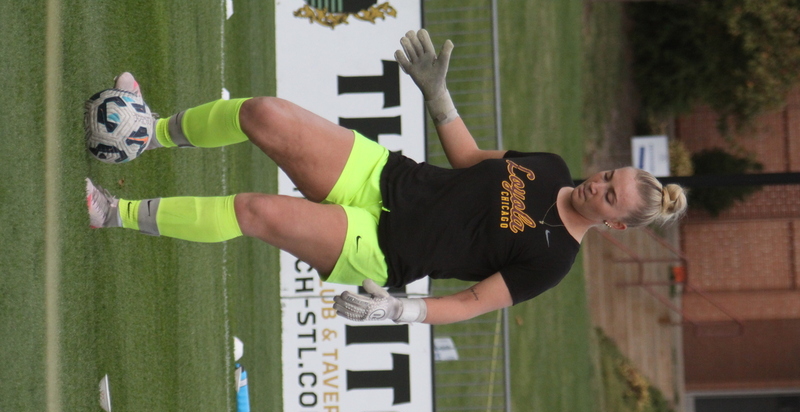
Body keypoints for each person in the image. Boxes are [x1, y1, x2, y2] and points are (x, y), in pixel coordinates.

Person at [86, 29, 687, 325]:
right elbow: (472, 163)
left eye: (609, 195)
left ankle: (113, 213)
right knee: (262, 113)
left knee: (257, 211)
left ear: (614, 224)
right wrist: (438, 94)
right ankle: (147, 132)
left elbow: (471, 303)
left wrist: (400, 311)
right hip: (386, 176)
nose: (596, 185)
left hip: (379, 246)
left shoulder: (553, 262)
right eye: (608, 173)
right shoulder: (552, 166)